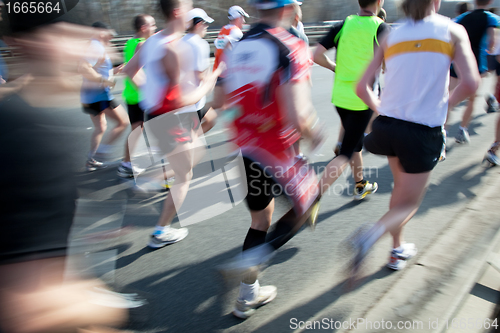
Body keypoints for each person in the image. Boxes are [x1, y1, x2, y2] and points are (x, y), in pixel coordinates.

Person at [0, 1, 130, 331]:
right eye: (63, 31)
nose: (80, 41)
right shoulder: (24, 133)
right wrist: (123, 309)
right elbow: (24, 303)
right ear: (23, 42)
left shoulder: (28, 119)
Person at [354, 0, 479, 274]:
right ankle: (369, 236)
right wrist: (445, 109)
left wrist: (382, 110)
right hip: (422, 131)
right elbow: (471, 82)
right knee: (409, 202)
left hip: (387, 128)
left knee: (401, 192)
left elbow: (361, 87)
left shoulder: (391, 34)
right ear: (436, 1)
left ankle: (397, 250)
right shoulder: (452, 30)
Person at [221, 0, 323, 319]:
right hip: (277, 148)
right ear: (289, 7)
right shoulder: (289, 46)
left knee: (260, 219)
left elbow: (220, 100)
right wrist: (314, 132)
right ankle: (254, 258)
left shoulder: (237, 46)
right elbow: (297, 116)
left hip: (245, 146)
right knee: (311, 200)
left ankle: (247, 295)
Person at [123, 0, 223, 249]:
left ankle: (155, 178)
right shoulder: (173, 48)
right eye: (188, 6)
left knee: (193, 155)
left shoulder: (153, 41)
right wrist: (210, 82)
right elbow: (180, 99)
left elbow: (129, 70)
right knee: (184, 175)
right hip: (172, 118)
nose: (191, 11)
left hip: (159, 116)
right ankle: (160, 231)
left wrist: (149, 95)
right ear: (178, 12)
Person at [313, 0, 388, 200]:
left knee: (354, 143)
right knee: (346, 153)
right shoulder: (380, 27)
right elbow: (390, 64)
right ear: (379, 2)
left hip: (340, 97)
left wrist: (334, 67)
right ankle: (311, 199)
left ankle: (360, 185)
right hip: (362, 99)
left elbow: (317, 55)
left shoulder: (343, 24)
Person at [80, 22, 132, 174]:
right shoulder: (95, 46)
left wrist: (113, 71)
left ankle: (91, 160)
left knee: (100, 127)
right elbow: (83, 68)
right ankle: (102, 152)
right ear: (101, 32)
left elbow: (97, 69)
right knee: (123, 122)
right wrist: (104, 81)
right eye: (109, 33)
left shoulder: (92, 45)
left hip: (89, 95)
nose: (111, 37)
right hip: (100, 95)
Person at [449, 0, 500, 144]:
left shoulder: (461, 18)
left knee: (449, 98)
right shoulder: (490, 18)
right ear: (489, 2)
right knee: (471, 99)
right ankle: (462, 129)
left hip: (457, 61)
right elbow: (491, 41)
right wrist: (490, 49)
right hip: (475, 63)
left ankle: (442, 131)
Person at [121, 14, 157, 178]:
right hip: (140, 95)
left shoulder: (130, 42)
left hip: (131, 94)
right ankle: (126, 164)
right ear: (144, 28)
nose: (154, 28)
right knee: (145, 130)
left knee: (137, 130)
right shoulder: (142, 44)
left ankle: (127, 163)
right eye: (152, 25)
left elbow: (126, 68)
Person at [180, 8, 215, 133]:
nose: (206, 27)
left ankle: (191, 140)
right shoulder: (200, 44)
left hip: (184, 98)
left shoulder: (180, 41)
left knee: (211, 119)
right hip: (193, 102)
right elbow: (201, 76)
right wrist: (216, 74)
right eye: (206, 24)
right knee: (188, 145)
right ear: (199, 24)